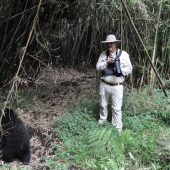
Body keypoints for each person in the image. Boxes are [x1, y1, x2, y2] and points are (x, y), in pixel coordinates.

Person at [96, 34, 132, 134]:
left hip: (117, 86)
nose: (109, 45)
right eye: (108, 43)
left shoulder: (124, 54)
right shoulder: (103, 54)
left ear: (115, 43)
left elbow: (130, 68)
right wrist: (106, 62)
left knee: (117, 108)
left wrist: (119, 69)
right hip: (104, 84)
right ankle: (102, 122)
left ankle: (117, 129)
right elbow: (98, 67)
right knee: (103, 105)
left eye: (111, 43)